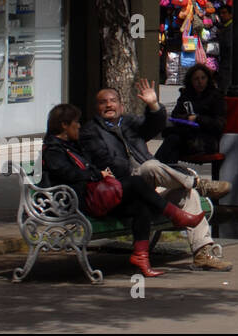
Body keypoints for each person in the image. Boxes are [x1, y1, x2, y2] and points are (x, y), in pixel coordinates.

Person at [80, 80, 233, 271]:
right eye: (104, 102)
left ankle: (203, 253)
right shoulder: (90, 131)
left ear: (121, 105)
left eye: (113, 101)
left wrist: (153, 105)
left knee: (187, 195)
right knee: (150, 166)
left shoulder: (128, 123)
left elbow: (155, 126)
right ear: (97, 107)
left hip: (150, 187)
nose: (109, 105)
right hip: (125, 188)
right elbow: (105, 161)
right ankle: (198, 183)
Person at [41, 103, 205, 277]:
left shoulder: (73, 144)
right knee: (135, 182)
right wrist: (98, 174)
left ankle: (141, 257)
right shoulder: (53, 149)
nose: (79, 125)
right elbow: (69, 173)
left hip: (92, 196)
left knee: (139, 205)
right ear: (64, 125)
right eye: (76, 122)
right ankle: (176, 215)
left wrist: (101, 173)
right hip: (77, 202)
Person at [154, 63, 229, 165]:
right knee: (173, 143)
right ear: (191, 81)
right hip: (186, 137)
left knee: (173, 142)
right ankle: (161, 171)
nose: (200, 82)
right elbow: (175, 114)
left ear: (208, 79)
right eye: (196, 79)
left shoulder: (215, 97)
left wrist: (197, 119)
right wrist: (187, 118)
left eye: (203, 78)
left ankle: (155, 168)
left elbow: (218, 124)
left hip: (206, 141)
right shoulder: (186, 95)